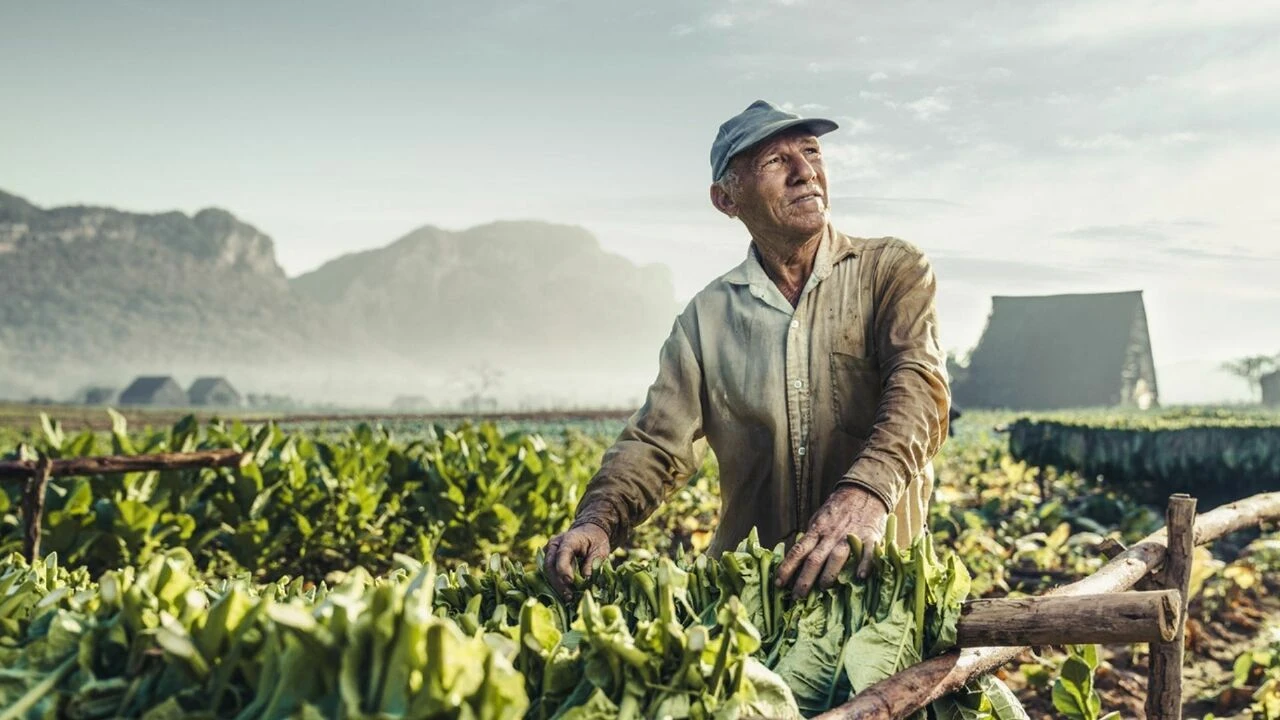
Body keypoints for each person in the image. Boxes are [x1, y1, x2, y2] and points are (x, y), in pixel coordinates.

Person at [543, 100, 950, 600]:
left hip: (879, 589)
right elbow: (655, 444)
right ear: (726, 199)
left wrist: (865, 495)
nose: (805, 172)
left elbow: (919, 388)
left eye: (811, 151)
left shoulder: (892, 269)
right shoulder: (705, 319)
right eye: (776, 162)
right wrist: (598, 521)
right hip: (756, 601)